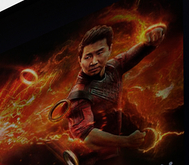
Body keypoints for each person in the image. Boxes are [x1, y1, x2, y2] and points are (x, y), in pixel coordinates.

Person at [64, 21, 170, 154]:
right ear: (80, 60)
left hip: (116, 153)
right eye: (88, 57)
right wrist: (126, 141)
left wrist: (155, 34)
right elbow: (87, 137)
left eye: (99, 53)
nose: (94, 62)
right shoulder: (79, 94)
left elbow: (138, 51)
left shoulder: (113, 68)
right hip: (94, 163)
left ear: (109, 50)